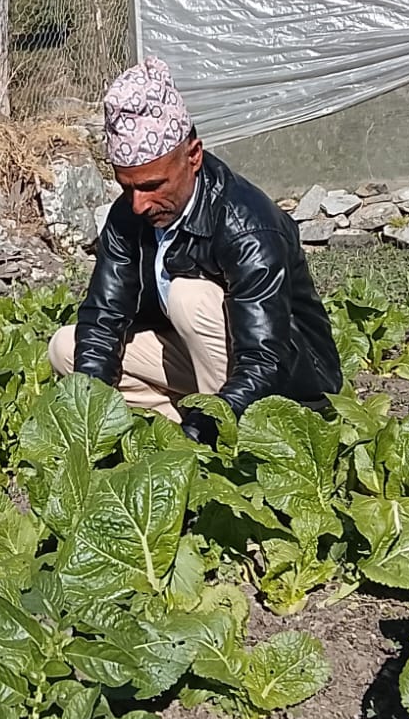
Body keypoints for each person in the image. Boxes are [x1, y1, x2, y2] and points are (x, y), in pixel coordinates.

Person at [48, 57, 343, 445]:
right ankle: (166, 431)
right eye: (127, 187)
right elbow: (104, 317)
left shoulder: (246, 226)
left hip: (288, 382)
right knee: (67, 349)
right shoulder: (129, 216)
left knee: (190, 297)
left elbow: (262, 359)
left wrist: (199, 438)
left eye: (153, 185)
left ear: (194, 155)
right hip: (201, 361)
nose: (139, 204)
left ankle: (225, 439)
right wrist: (85, 420)